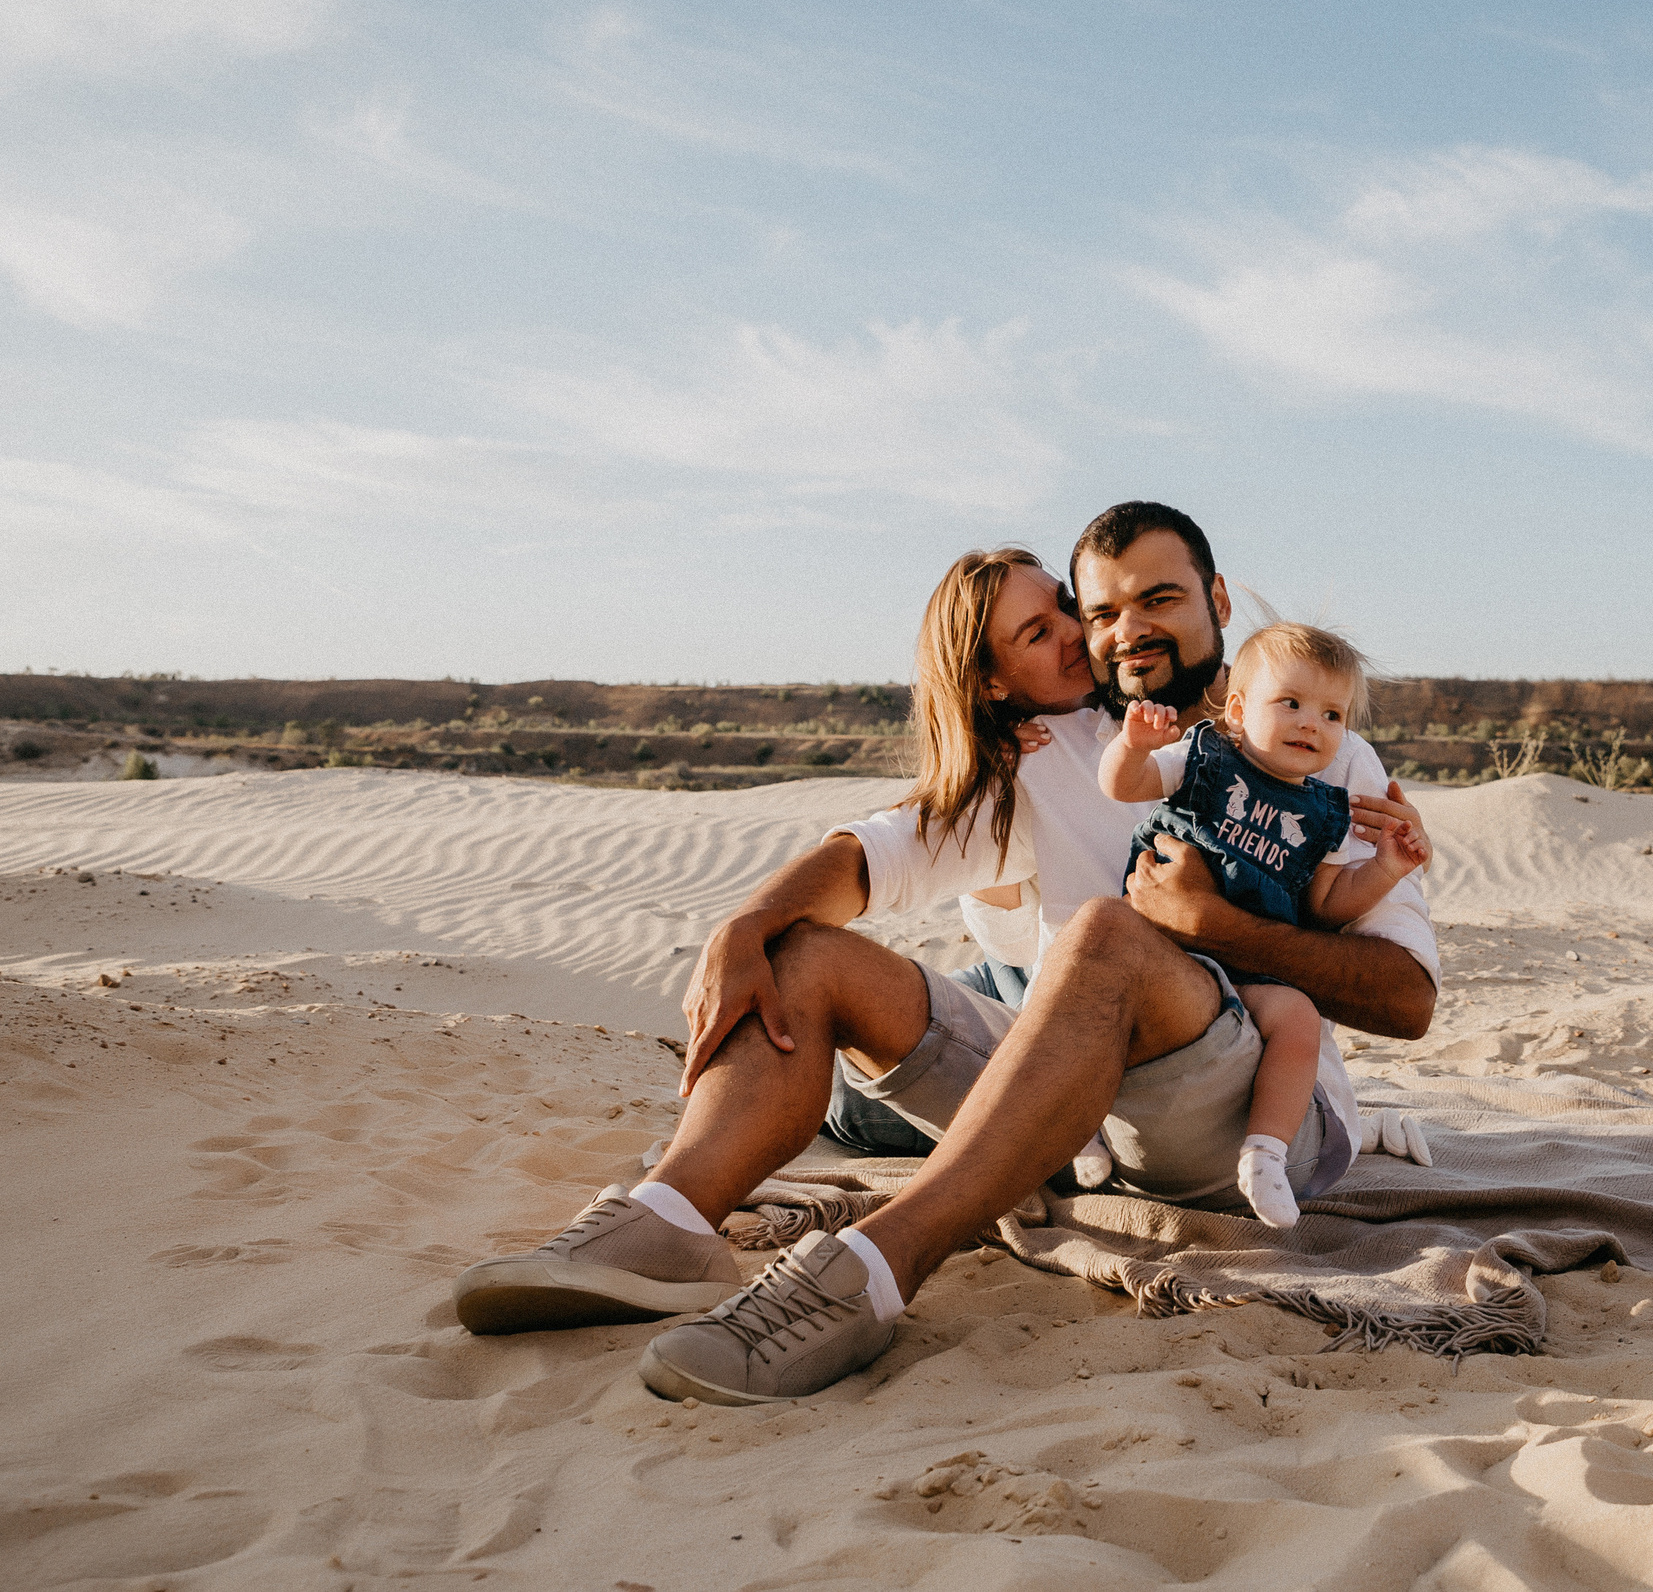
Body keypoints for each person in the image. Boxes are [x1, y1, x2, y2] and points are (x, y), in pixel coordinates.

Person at [449, 504, 1438, 1408]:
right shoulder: (1049, 751)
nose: (1124, 627)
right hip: (1087, 1113)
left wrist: (1216, 924)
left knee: (1104, 932)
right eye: (1089, 611)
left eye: (1160, 598)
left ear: (1218, 601)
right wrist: (747, 922)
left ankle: (874, 1269)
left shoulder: (1318, 744)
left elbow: (1405, 999)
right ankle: (670, 1214)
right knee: (807, 954)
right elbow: (878, 851)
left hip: (1248, 1110)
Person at [1100, 621, 1430, 1226]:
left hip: (1249, 971)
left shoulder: (1326, 813)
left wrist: (1385, 869)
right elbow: (1126, 786)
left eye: (1334, 715)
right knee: (1104, 1014)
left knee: (1299, 1021)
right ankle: (1085, 1128)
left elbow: (1331, 903)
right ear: (1237, 708)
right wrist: (1135, 747)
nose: (1312, 723)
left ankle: (1266, 1154)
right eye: (1292, 704)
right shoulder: (1205, 761)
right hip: (1164, 954)